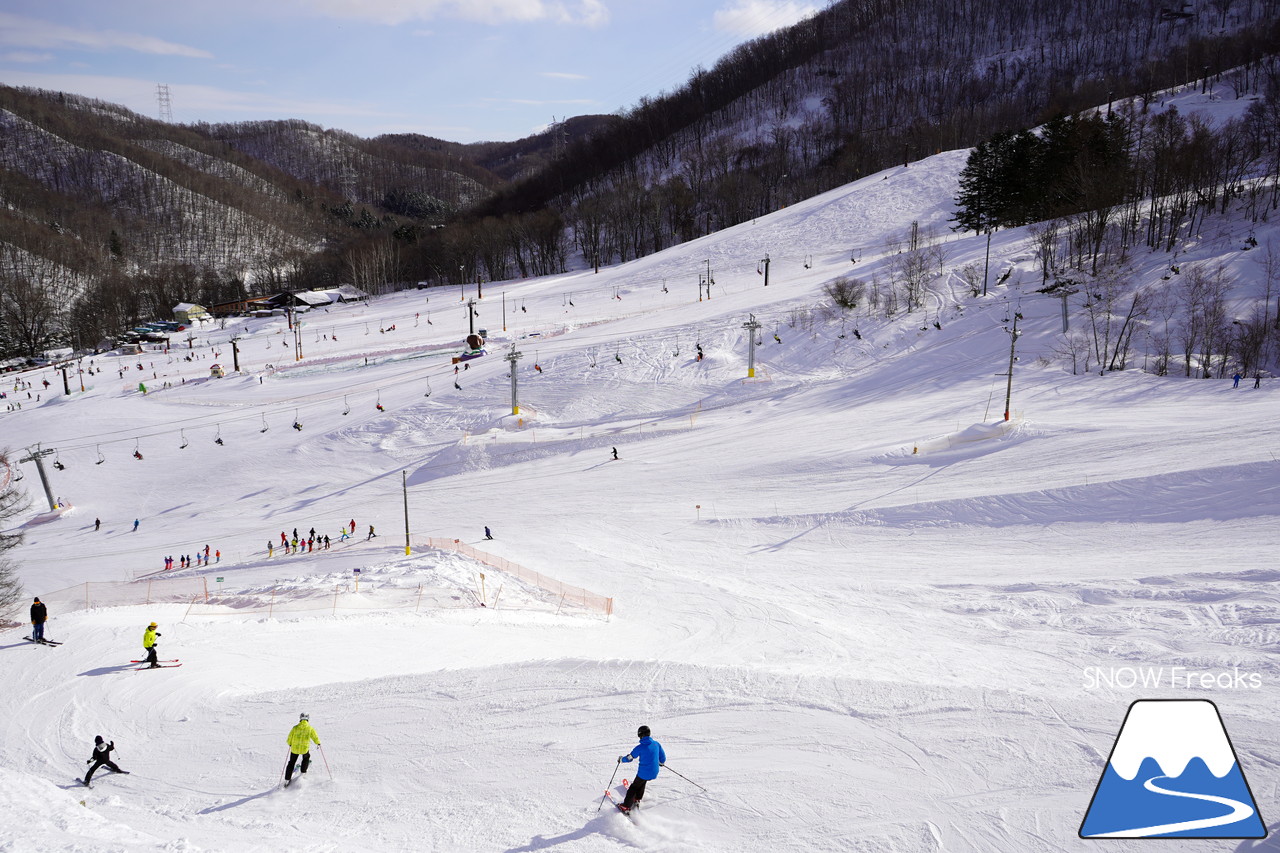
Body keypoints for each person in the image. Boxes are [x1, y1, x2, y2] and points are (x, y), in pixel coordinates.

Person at [617, 725, 665, 812]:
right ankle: (637, 798)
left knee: (634, 787)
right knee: (642, 782)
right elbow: (663, 757)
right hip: (654, 772)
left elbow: (630, 758)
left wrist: (621, 759)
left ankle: (626, 806)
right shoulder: (656, 744)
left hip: (644, 773)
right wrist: (661, 763)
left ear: (640, 735)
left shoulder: (640, 747)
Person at [285, 713, 321, 784]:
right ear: (307, 719)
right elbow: (315, 736)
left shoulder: (295, 728)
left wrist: (289, 743)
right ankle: (303, 772)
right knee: (306, 758)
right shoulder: (310, 728)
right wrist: (318, 743)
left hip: (294, 749)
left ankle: (287, 779)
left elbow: (290, 737)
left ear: (300, 718)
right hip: (304, 749)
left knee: (291, 763)